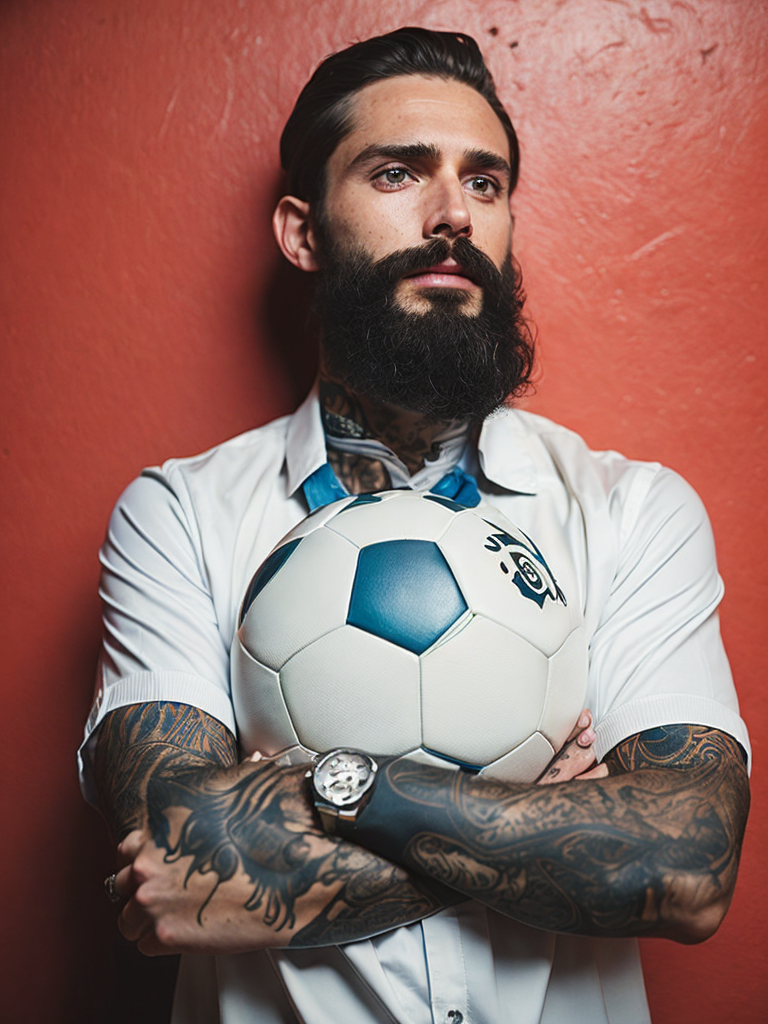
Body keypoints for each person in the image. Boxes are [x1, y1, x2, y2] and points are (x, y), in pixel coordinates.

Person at [79, 27, 750, 1024]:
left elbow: (683, 861)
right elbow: (183, 865)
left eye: (485, 183)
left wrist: (331, 794)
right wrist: (547, 811)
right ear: (302, 233)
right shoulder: (179, 516)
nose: (453, 216)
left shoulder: (631, 511)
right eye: (397, 173)